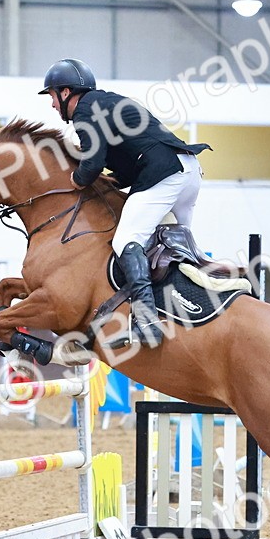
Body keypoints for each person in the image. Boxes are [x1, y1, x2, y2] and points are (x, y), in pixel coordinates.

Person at [39, 58, 210, 347]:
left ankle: (147, 321)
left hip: (164, 173)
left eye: (53, 97)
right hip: (188, 171)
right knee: (173, 247)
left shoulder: (84, 111)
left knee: (126, 241)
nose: (53, 105)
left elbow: (92, 164)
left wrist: (76, 181)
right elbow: (125, 166)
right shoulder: (106, 103)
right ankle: (194, 302)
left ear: (65, 92)